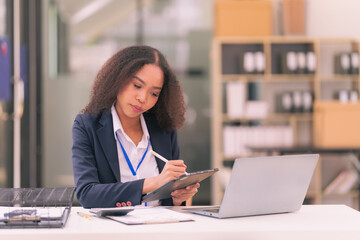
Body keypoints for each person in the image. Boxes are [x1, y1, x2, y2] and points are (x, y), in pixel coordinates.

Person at [72, 45, 200, 208]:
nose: (142, 98)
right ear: (118, 78)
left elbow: (169, 202)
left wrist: (177, 197)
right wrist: (153, 183)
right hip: (114, 230)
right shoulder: (87, 125)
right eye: (137, 86)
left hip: (159, 229)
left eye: (154, 93)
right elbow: (87, 194)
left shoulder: (164, 129)